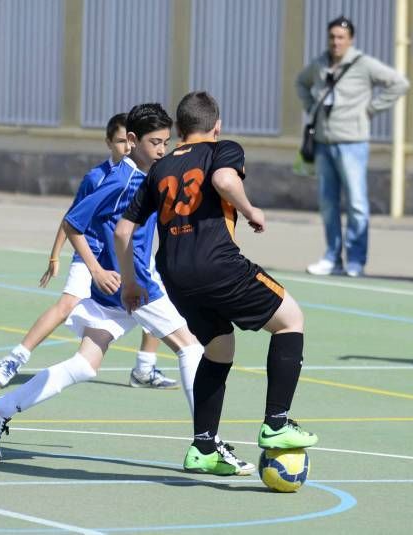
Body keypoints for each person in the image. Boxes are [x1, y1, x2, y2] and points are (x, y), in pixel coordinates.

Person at [0, 103, 254, 475]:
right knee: (190, 348)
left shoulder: (151, 175)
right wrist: (95, 269)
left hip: (123, 285)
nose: (161, 150)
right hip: (132, 285)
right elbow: (73, 223)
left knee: (86, 364)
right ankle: (207, 444)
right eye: (154, 142)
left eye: (166, 142)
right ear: (131, 141)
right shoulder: (122, 181)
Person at [115, 91, 318, 476]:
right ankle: (276, 423)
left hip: (175, 276)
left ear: (180, 129)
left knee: (219, 348)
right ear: (216, 125)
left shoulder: (158, 169)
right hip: (217, 265)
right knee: (291, 319)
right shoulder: (222, 149)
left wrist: (129, 282)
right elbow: (225, 180)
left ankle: (204, 447)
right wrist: (250, 209)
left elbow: (123, 232)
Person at [0, 113, 176, 391]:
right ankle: (16, 358)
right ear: (109, 143)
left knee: (154, 305)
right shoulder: (99, 177)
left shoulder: (149, 175)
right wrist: (55, 255)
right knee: (66, 306)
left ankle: (144, 369)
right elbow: (72, 218)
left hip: (127, 259)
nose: (125, 147)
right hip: (92, 253)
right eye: (120, 141)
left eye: (128, 141)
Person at [296, 15, 409, 277]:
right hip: (324, 142)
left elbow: (399, 84)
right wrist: (310, 107)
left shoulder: (363, 64)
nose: (336, 42)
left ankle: (356, 260)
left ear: (350, 40)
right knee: (328, 204)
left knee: (357, 204)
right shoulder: (320, 63)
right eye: (332, 37)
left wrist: (370, 109)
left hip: (353, 143)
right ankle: (332, 257)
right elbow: (301, 82)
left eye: (341, 38)